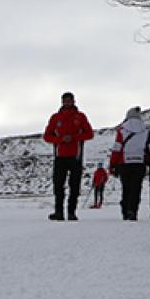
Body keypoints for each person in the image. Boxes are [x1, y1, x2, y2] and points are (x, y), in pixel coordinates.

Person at [43, 91, 95, 221]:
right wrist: (60, 140)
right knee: (58, 185)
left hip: (75, 156)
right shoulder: (56, 117)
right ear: (62, 102)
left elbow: (89, 134)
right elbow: (47, 136)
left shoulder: (80, 116)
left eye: (69, 100)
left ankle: (72, 212)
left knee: (75, 185)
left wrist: (74, 138)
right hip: (60, 156)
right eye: (65, 101)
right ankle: (59, 212)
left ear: (73, 101)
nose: (67, 103)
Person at [108, 106, 148, 221]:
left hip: (124, 163)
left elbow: (117, 149)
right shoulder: (145, 131)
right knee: (136, 188)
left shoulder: (122, 131)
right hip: (139, 163)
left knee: (126, 187)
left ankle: (125, 209)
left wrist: (112, 165)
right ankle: (133, 210)